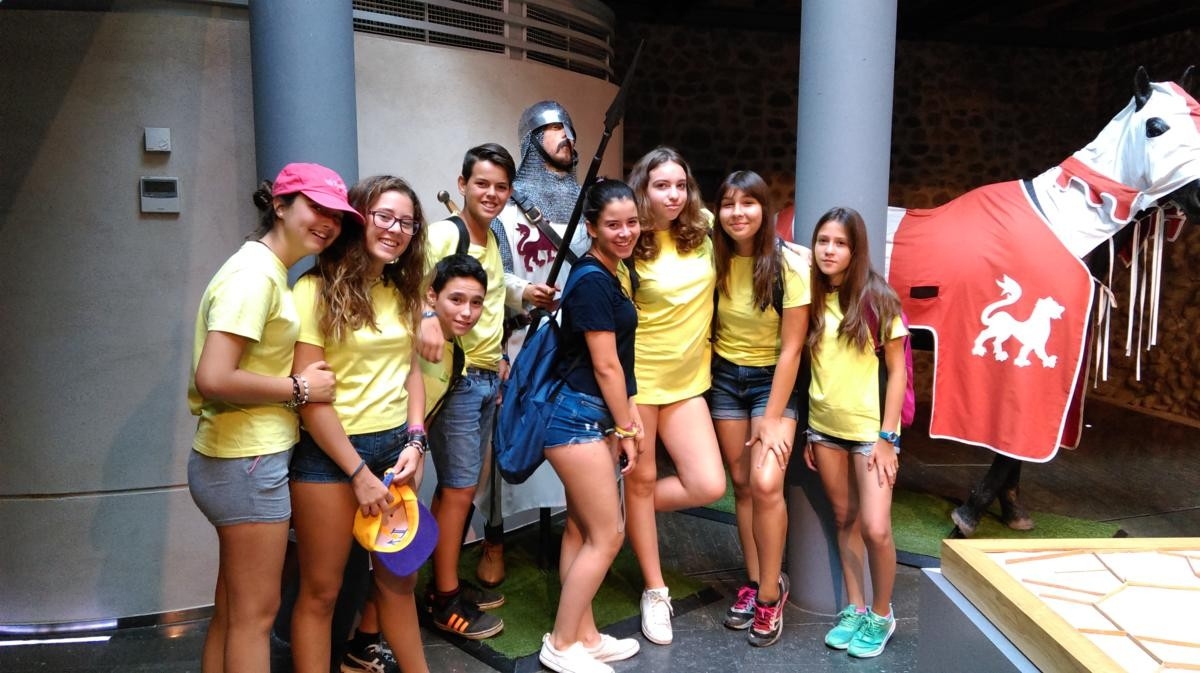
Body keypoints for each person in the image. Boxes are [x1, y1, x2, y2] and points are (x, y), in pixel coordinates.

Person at [187, 162, 354, 673]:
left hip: (232, 456)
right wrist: (301, 388)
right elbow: (213, 375)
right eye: (315, 207)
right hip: (247, 460)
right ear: (279, 205)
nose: (328, 222)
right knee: (256, 617)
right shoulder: (255, 276)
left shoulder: (265, 270)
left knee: (233, 611)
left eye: (336, 215)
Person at [286, 175, 433, 673]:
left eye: (407, 222)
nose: (395, 230)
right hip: (331, 457)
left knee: (398, 583)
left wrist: (416, 440)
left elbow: (412, 373)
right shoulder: (314, 289)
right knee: (321, 592)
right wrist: (356, 472)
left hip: (396, 453)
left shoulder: (404, 290)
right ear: (359, 218)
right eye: (384, 216)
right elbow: (309, 397)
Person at [475, 100, 588, 588]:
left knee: (574, 435)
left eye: (568, 127)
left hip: (573, 344)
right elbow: (491, 277)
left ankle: (581, 531)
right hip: (521, 338)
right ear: (531, 140)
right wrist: (523, 297)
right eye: (554, 128)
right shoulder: (508, 207)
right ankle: (495, 538)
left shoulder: (588, 204)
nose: (566, 136)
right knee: (506, 437)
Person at [537, 180, 643, 673]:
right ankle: (561, 644)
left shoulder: (606, 271)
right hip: (575, 418)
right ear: (592, 227)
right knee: (608, 535)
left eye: (632, 222)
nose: (625, 232)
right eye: (613, 225)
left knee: (581, 530)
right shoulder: (594, 280)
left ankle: (585, 636)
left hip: (587, 415)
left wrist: (624, 419)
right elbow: (606, 366)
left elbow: (617, 361)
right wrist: (628, 429)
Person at [623, 147, 726, 645]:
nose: (673, 195)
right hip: (639, 383)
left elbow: (754, 238)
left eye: (680, 185)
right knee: (641, 481)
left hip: (687, 383)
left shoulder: (703, 228)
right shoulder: (630, 240)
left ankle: (617, 512)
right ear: (643, 188)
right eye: (662, 185)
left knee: (708, 484)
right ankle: (655, 589)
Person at [416, 143, 515, 640]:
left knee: (458, 490)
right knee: (457, 490)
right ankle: (445, 599)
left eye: (501, 187)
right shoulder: (444, 234)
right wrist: (426, 316)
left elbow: (489, 300)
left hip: (482, 377)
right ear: (462, 184)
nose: (491, 194)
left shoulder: (491, 238)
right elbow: (410, 286)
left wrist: (498, 357)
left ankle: (444, 582)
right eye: (482, 184)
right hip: (454, 380)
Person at [708, 171, 810, 647]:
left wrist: (771, 417)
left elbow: (792, 349)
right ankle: (753, 581)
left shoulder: (789, 264)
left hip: (774, 381)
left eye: (748, 203)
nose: (737, 213)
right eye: (728, 204)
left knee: (767, 483)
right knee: (744, 483)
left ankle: (771, 593)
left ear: (764, 209)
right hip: (726, 380)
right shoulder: (715, 256)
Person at [802, 206, 905, 659]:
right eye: (823, 241)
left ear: (855, 249)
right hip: (824, 430)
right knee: (845, 519)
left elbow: (898, 372)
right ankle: (856, 608)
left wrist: (888, 438)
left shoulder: (878, 298)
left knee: (876, 528)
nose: (829, 250)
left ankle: (881, 615)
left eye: (840, 243)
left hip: (870, 434)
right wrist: (809, 432)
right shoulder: (810, 294)